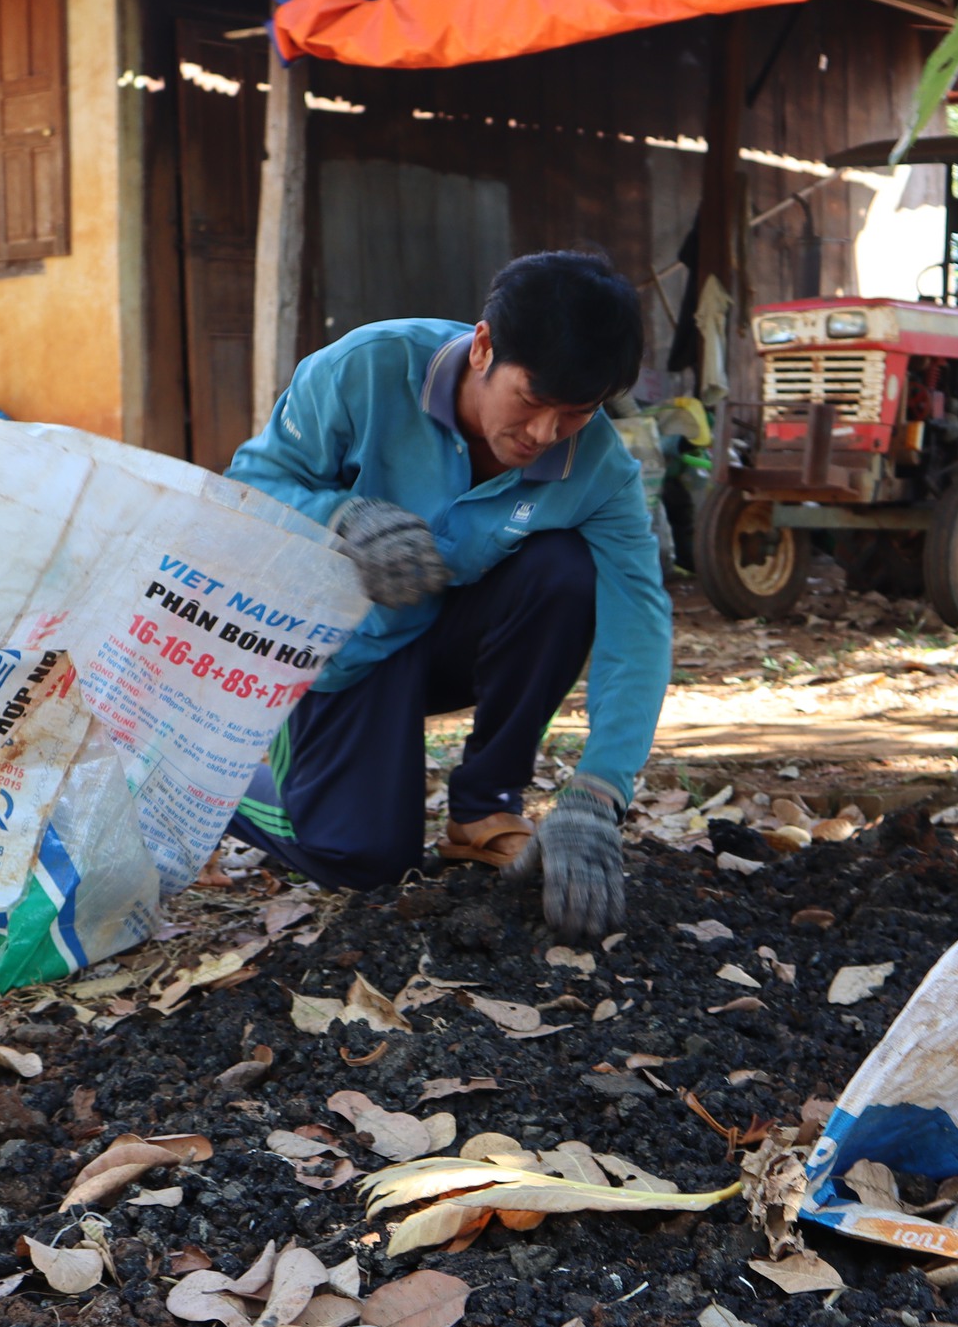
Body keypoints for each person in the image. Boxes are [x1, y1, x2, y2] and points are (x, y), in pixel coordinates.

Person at [223, 251, 672, 940]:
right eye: (533, 400)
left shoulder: (600, 469)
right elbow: (247, 491)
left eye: (574, 413)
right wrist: (340, 519)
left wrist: (598, 791)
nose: (545, 434)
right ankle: (220, 782)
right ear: (484, 346)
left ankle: (484, 805)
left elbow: (637, 623)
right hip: (347, 650)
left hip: (451, 642)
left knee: (564, 570)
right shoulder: (364, 370)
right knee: (364, 862)